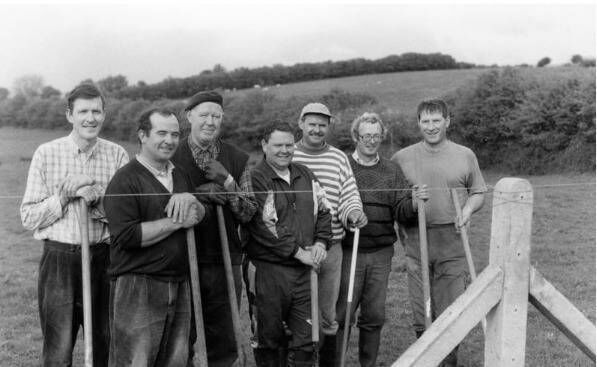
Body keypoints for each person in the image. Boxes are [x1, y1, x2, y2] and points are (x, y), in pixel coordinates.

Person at [20, 83, 129, 367]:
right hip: (59, 260)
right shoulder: (46, 153)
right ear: (70, 115)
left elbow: (125, 216)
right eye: (83, 111)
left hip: (104, 260)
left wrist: (97, 203)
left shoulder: (117, 155)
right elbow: (28, 216)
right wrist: (64, 197)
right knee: (58, 349)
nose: (90, 118)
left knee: (107, 343)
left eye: (96, 111)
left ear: (104, 115)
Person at [104, 107, 206, 366]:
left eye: (175, 134)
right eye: (161, 133)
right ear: (142, 135)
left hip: (180, 282)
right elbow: (127, 236)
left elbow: (197, 215)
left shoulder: (179, 174)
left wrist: (193, 200)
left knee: (176, 361)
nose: (169, 140)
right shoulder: (125, 180)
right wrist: (175, 222)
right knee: (136, 361)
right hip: (138, 286)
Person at [391, 99, 487, 367]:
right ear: (418, 123)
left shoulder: (465, 154)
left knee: (450, 309)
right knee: (423, 310)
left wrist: (467, 210)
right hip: (416, 240)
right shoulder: (401, 158)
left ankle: (448, 362)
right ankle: (426, 361)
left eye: (436, 120)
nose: (431, 127)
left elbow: (478, 191)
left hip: (452, 241)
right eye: (425, 121)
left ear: (447, 121)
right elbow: (394, 203)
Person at [171, 90, 257, 367]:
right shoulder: (171, 155)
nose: (210, 121)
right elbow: (159, 205)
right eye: (204, 115)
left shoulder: (238, 158)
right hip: (180, 257)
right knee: (181, 335)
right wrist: (199, 195)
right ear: (189, 117)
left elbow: (249, 212)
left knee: (224, 334)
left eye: (216, 116)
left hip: (225, 258)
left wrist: (228, 182)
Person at [336, 112, 428, 367]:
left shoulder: (391, 169)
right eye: (366, 135)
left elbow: (400, 209)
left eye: (376, 136)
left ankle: (368, 364)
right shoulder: (342, 165)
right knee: (342, 313)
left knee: (374, 315)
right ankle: (335, 362)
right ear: (356, 136)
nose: (371, 140)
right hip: (346, 251)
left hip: (380, 252)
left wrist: (412, 203)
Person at [244, 121, 332, 366]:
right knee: (269, 338)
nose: (284, 150)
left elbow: (324, 210)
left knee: (308, 338)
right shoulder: (256, 178)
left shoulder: (305, 174)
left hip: (304, 272)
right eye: (278, 145)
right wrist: (296, 251)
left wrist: (321, 243)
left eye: (289, 145)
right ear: (264, 145)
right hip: (268, 271)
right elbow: (263, 224)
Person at [292, 102, 367, 366]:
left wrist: (354, 213)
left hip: (332, 247)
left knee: (327, 314)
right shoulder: (289, 155)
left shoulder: (338, 158)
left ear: (329, 126)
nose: (316, 129)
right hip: (297, 250)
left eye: (322, 125)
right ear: (301, 123)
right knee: (297, 312)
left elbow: (348, 195)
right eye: (311, 124)